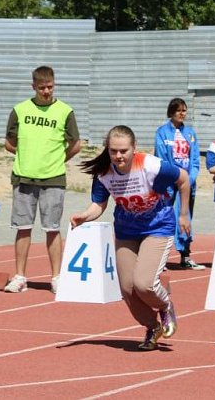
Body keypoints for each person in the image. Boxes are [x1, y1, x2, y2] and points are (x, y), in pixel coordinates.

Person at [72, 125, 190, 350]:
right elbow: (99, 203)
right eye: (113, 151)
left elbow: (183, 179)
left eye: (123, 151)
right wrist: (85, 216)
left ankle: (165, 306)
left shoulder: (150, 166)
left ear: (133, 149)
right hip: (127, 230)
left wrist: (184, 214)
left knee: (144, 284)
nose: (118, 156)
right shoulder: (104, 173)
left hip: (158, 226)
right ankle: (151, 327)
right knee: (127, 288)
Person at [4, 65, 81, 293]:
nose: (46, 91)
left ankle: (56, 277)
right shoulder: (19, 110)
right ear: (33, 87)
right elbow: (9, 142)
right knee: (23, 228)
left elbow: (75, 145)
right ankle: (20, 277)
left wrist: (58, 158)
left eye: (49, 87)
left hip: (53, 179)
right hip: (24, 178)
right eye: (41, 88)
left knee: (52, 228)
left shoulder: (65, 111)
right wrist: (26, 155)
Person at [154, 98, 203, 270]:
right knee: (165, 218)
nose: (182, 114)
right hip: (168, 182)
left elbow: (195, 160)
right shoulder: (161, 132)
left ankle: (186, 255)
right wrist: (173, 178)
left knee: (185, 217)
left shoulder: (190, 133)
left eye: (184, 110)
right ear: (171, 112)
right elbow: (160, 158)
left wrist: (188, 181)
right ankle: (162, 258)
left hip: (187, 185)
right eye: (179, 110)